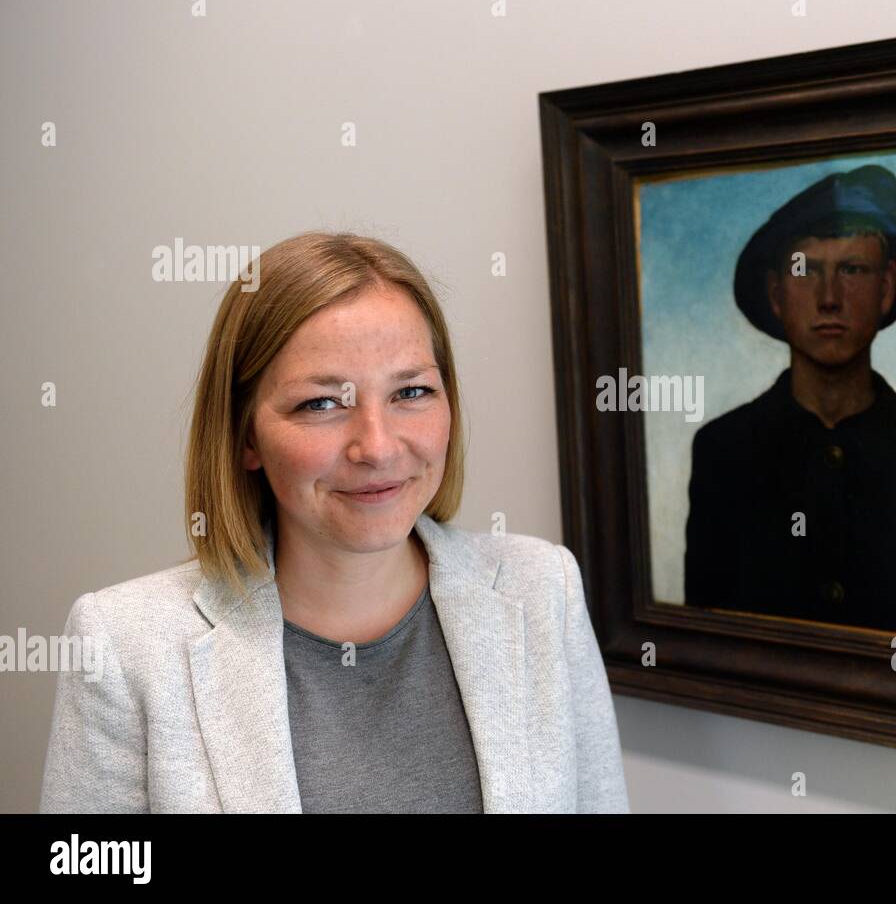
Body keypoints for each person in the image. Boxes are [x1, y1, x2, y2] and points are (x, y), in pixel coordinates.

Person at [39, 231, 629, 813]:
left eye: (412, 392)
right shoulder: (125, 644)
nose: (376, 447)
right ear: (245, 435)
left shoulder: (542, 588)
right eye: (322, 403)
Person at [683, 164, 896, 651]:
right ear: (775, 293)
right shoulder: (725, 453)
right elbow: (708, 650)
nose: (829, 298)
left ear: (886, 288)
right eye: (806, 271)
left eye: (852, 270)